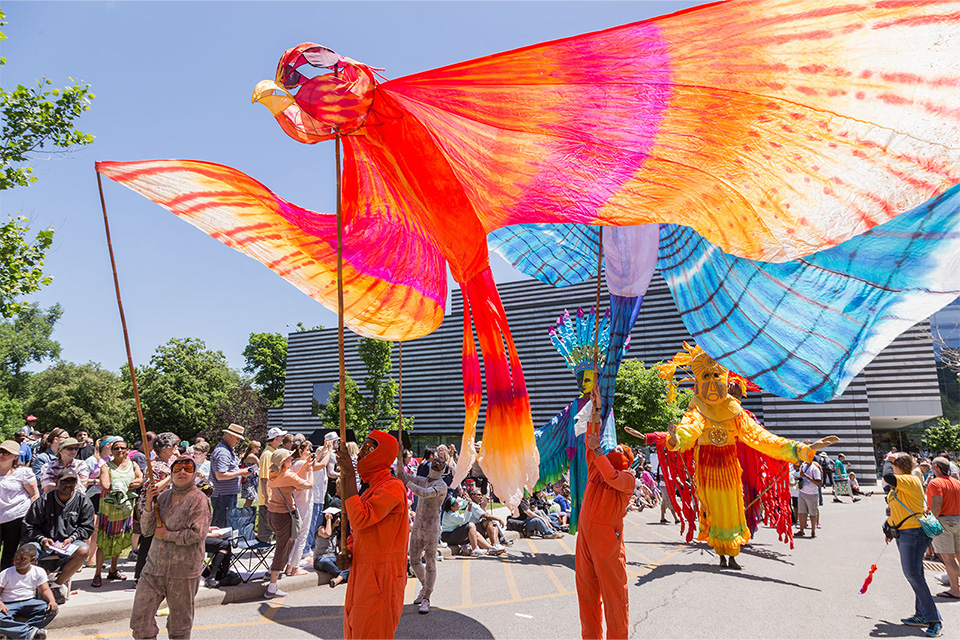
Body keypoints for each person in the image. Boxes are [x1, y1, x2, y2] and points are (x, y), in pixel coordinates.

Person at [336, 430, 409, 639]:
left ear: (382, 454)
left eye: (368, 448)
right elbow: (358, 532)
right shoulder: (370, 489)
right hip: (362, 573)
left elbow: (360, 518)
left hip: (381, 577)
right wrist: (349, 551)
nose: (360, 454)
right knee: (354, 630)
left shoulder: (393, 487)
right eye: (362, 448)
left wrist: (350, 476)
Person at [129, 455, 211, 640]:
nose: (182, 471)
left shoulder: (198, 499)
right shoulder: (163, 497)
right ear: (171, 473)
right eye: (178, 468)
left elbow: (197, 534)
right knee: (140, 622)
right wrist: (149, 502)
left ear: (195, 473)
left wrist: (167, 535)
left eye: (188, 468)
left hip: (183, 572)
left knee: (179, 627)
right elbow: (147, 530)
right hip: (153, 569)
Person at [577, 412, 636, 640]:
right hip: (585, 541)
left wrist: (600, 451)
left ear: (628, 461)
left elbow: (612, 476)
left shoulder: (628, 479)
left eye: (623, 450)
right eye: (616, 447)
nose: (617, 449)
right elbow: (592, 438)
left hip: (608, 543)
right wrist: (596, 408)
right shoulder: (595, 468)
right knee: (587, 595)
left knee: (615, 598)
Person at [884, 452, 942, 638]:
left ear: (898, 465)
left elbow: (887, 476)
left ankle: (934, 620)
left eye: (893, 464)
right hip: (903, 532)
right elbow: (895, 506)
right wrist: (888, 526)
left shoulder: (910, 479)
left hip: (914, 532)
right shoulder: (902, 482)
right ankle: (922, 615)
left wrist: (888, 459)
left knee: (913, 574)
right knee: (917, 574)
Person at [22, 469, 94, 605]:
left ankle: (56, 586)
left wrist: (72, 538)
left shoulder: (83, 501)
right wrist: (42, 539)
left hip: (69, 543)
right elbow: (29, 526)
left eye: (72, 481)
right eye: (64, 481)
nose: (68, 484)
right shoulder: (43, 500)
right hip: (44, 542)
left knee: (84, 550)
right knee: (25, 552)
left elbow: (87, 527)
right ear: (56, 482)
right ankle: (32, 588)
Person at [398, 456, 447, 614]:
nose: (437, 463)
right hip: (418, 526)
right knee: (413, 561)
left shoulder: (441, 485)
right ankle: (426, 587)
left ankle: (426, 597)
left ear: (444, 468)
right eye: (436, 461)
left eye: (441, 462)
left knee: (431, 562)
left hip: (432, 529)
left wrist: (407, 483)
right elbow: (403, 475)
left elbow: (424, 493)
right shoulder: (423, 479)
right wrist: (399, 455)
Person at [94, 438, 142, 587]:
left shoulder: (133, 464)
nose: (120, 450)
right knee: (104, 541)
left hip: (126, 509)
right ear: (112, 451)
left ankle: (113, 570)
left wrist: (121, 485)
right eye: (116, 448)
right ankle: (97, 574)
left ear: (127, 450)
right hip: (109, 510)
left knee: (119, 538)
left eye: (123, 448)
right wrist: (128, 485)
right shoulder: (106, 467)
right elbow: (106, 485)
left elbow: (140, 479)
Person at [265, 447, 313, 596]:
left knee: (285, 545)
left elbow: (292, 480)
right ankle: (272, 586)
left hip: (273, 515)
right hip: (283, 516)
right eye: (288, 458)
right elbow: (307, 485)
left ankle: (273, 572)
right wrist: (310, 472)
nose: (291, 459)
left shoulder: (275, 473)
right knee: (282, 548)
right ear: (282, 462)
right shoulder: (286, 475)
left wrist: (304, 467)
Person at [133, 432, 178, 580]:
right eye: (173, 445)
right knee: (149, 540)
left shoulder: (170, 463)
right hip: (152, 507)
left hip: (166, 506)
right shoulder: (155, 466)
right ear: (164, 448)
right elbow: (152, 489)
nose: (176, 448)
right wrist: (171, 478)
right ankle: (140, 576)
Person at [0, 544, 58, 640]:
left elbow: (45, 589)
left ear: (32, 560)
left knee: (51, 610)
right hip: (9, 604)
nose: (17, 561)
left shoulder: (38, 571)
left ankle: (16, 632)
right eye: (16, 558)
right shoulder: (6, 573)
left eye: (22, 559)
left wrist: (52, 600)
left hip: (30, 602)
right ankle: (31, 633)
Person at [0, 441, 39, 570]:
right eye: (0, 451)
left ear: (15, 456)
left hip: (16, 517)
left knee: (9, 554)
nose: (1, 454)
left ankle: (4, 584)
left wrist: (30, 518)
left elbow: (34, 495)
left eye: (6, 453)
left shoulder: (23, 472)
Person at [288, 441, 324, 574]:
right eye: (307, 450)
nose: (309, 453)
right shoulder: (301, 464)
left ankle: (289, 565)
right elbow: (321, 465)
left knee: (295, 535)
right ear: (301, 451)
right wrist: (328, 450)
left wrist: (324, 448)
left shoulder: (296, 463)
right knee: (302, 534)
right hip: (304, 501)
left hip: (298, 500)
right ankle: (294, 567)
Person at [927, 457, 960, 600]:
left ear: (936, 467)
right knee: (958, 554)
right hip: (958, 518)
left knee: (948, 557)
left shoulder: (935, 482)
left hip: (944, 520)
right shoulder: (956, 482)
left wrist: (930, 522)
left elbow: (937, 503)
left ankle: (955, 589)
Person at [210, 424, 252, 528]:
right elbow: (220, 475)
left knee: (226, 526)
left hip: (226, 495)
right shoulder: (223, 452)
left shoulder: (226, 450)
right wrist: (241, 472)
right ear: (230, 435)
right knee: (221, 527)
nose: (238, 442)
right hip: (223, 496)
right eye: (238, 439)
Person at [303, 437, 334, 560]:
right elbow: (322, 462)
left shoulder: (320, 468)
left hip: (319, 499)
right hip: (314, 498)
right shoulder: (317, 468)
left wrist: (326, 448)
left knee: (315, 524)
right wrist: (329, 450)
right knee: (311, 525)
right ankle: (306, 547)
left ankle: (311, 546)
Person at [257, 428, 286, 544]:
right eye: (281, 437)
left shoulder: (272, 453)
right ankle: (263, 546)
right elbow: (264, 478)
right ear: (275, 438)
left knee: (270, 523)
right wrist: (266, 497)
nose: (283, 439)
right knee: (266, 524)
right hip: (267, 497)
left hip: (272, 494)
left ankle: (266, 545)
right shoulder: (267, 455)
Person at [313, 507, 349, 587]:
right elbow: (327, 534)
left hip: (333, 557)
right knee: (326, 562)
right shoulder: (321, 529)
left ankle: (338, 579)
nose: (338, 520)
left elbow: (340, 548)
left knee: (348, 563)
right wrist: (328, 519)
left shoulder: (337, 532)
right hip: (321, 559)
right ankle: (342, 576)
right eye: (336, 517)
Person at [796, 457, 822, 538]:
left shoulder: (814, 469)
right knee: (801, 512)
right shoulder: (803, 466)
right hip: (802, 491)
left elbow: (819, 482)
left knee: (812, 513)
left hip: (812, 493)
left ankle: (813, 531)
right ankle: (801, 530)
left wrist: (806, 476)